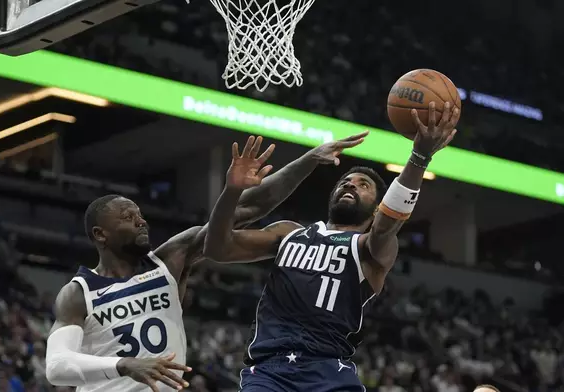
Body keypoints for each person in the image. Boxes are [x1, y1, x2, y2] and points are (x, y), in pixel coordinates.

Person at [45, 133, 368, 392]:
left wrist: (306, 161)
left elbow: (247, 210)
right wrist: (125, 365)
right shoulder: (79, 293)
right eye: (128, 218)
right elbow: (57, 367)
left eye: (141, 215)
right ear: (101, 235)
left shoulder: (169, 261)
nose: (141, 222)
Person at [203, 102, 459, 391]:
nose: (350, 185)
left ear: (376, 209)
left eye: (363, 185)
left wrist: (419, 157)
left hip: (330, 373)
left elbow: (389, 223)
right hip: (270, 372)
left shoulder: (370, 247)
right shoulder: (290, 233)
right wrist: (232, 191)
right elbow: (217, 248)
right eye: (345, 182)